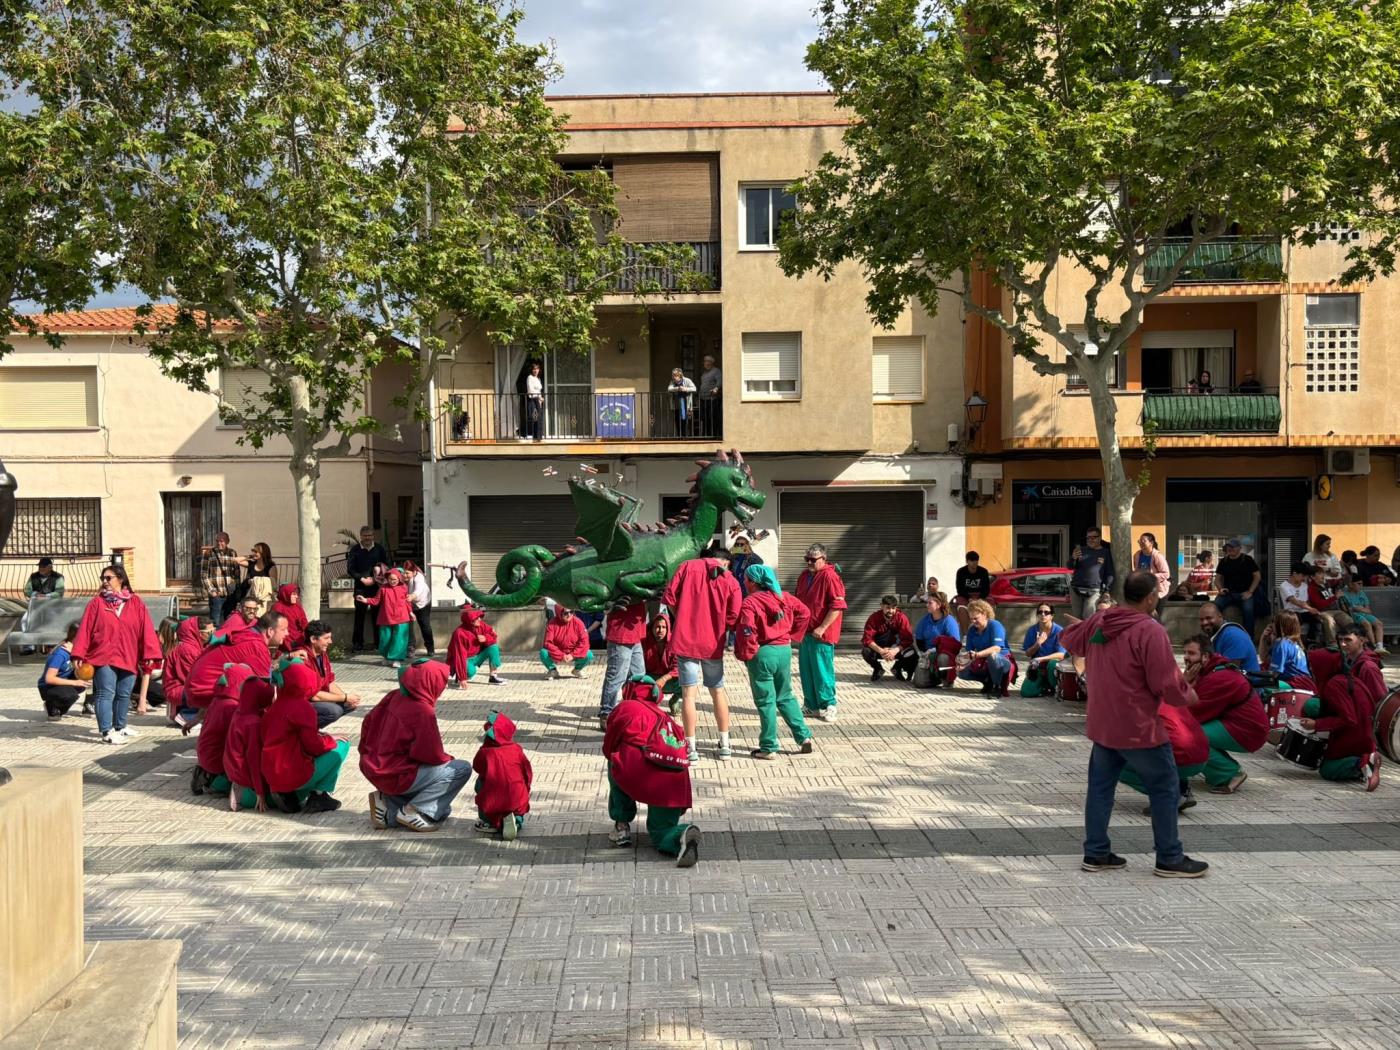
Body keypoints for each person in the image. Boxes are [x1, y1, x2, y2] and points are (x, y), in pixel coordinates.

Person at [1061, 571, 1209, 879]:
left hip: (1103, 723)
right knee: (1166, 787)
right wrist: (1189, 694)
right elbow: (1164, 681)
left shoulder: (1101, 621)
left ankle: (1096, 852)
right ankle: (1169, 857)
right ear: (1152, 597)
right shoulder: (1150, 631)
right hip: (1138, 725)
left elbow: (1070, 639)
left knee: (1101, 789)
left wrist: (1088, 630)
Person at [361, 659, 473, 832]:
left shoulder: (395, 695)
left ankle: (387, 805)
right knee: (460, 769)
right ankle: (411, 812)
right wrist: (448, 760)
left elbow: (368, 723)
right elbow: (430, 754)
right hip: (395, 772)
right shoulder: (422, 711)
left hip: (374, 765)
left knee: (441, 809)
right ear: (431, 682)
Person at [602, 676, 699, 867]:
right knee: (660, 830)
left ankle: (622, 825)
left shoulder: (625, 708)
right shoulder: (666, 718)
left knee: (616, 762)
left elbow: (609, 747)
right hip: (675, 780)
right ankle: (680, 835)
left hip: (639, 771)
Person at [663, 545, 742, 758]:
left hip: (685, 640)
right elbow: (734, 616)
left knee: (689, 694)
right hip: (712, 643)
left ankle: (691, 748)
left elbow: (669, 598)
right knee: (718, 691)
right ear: (724, 562)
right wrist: (720, 627)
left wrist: (680, 617)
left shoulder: (686, 566)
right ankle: (725, 745)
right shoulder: (731, 581)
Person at [71, 563, 161, 745]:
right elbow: (85, 630)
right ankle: (106, 731)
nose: (105, 582)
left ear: (121, 579)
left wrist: (150, 652)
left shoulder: (135, 602)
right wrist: (78, 654)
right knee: (105, 693)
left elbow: (146, 629)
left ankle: (120, 726)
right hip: (103, 656)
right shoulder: (96, 603)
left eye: (108, 578)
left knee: (124, 693)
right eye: (103, 579)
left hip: (129, 654)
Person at [735, 563, 814, 760]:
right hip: (784, 651)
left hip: (763, 653)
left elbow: (746, 630)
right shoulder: (784, 597)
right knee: (786, 696)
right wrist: (794, 636)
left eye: (746, 579)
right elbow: (805, 613)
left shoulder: (750, 602)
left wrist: (748, 653)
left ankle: (769, 746)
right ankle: (803, 737)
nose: (744, 583)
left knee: (766, 701)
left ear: (753, 582)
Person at [1299, 624, 1384, 790]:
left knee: (1327, 769)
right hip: (1356, 720)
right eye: (1341, 640)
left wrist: (1318, 725)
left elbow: (1374, 704)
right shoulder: (1343, 671)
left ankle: (1364, 762)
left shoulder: (1366, 668)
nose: (1343, 644)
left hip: (1362, 728)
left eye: (1348, 640)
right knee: (1312, 705)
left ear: (1362, 640)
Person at [261, 657, 350, 813]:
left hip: (271, 772)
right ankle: (319, 795)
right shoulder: (303, 708)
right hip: (292, 771)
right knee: (342, 745)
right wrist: (329, 739)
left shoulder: (274, 707)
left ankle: (289, 795)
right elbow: (314, 746)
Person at [1182, 634, 1268, 795]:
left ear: (1206, 656)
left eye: (1191, 653)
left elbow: (1190, 714)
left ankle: (1230, 774)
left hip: (1249, 731)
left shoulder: (1219, 678)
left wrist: (1183, 684)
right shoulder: (1208, 671)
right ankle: (1222, 771)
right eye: (1185, 653)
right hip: (1237, 724)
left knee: (1190, 736)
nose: (1186, 658)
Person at [186, 610, 288, 709]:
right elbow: (265, 690)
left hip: (196, 687)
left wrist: (287, 657)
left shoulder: (249, 634)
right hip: (202, 692)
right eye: (283, 630)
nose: (287, 633)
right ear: (270, 631)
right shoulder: (256, 645)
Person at [794, 543, 847, 723]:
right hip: (805, 632)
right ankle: (811, 705)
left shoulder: (830, 577)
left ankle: (829, 705)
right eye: (806, 559)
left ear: (823, 559)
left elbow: (837, 606)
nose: (809, 562)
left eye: (813, 560)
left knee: (822, 670)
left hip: (821, 634)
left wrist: (822, 627)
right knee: (806, 670)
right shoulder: (803, 576)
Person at [190, 663, 255, 797]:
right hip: (217, 758)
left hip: (205, 753)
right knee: (236, 773)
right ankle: (213, 783)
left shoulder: (217, 701)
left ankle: (205, 773)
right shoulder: (232, 706)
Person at [471, 709, 533, 838]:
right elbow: (527, 771)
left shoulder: (486, 752)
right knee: (518, 791)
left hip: (494, 799)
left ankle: (490, 823)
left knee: (480, 783)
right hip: (516, 796)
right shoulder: (516, 749)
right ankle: (516, 820)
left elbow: (477, 767)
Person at [294, 620, 361, 729]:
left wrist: (347, 698)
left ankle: (312, 732)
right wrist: (344, 697)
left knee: (349, 705)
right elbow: (313, 695)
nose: (330, 641)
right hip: (301, 702)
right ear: (313, 639)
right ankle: (303, 733)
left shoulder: (322, 654)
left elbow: (329, 681)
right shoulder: (302, 658)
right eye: (326, 638)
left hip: (314, 698)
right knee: (334, 711)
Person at [222, 674, 276, 812]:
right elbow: (254, 759)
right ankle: (243, 794)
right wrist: (260, 793)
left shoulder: (239, 712)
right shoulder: (253, 723)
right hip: (245, 776)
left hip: (232, 769)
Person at [599, 601, 647, 731]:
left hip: (635, 633)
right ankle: (606, 713)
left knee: (638, 676)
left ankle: (632, 709)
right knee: (616, 676)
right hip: (620, 634)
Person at [356, 566, 413, 666]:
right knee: (385, 639)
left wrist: (411, 613)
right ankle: (387, 657)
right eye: (390, 579)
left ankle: (396, 659)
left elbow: (407, 602)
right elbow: (376, 600)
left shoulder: (404, 587)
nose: (392, 581)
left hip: (402, 617)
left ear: (399, 578)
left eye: (394, 579)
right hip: (386, 617)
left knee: (399, 639)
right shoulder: (383, 588)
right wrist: (365, 600)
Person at [347, 526, 389, 652]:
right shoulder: (354, 550)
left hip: (376, 588)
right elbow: (350, 569)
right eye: (365, 535)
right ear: (360, 536)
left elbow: (386, 565)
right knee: (359, 616)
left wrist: (376, 578)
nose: (367, 538)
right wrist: (362, 579)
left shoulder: (379, 549)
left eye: (370, 535)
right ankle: (357, 644)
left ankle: (378, 643)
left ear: (373, 536)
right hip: (360, 588)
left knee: (377, 616)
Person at [958, 599, 1013, 695]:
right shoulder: (972, 630)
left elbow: (996, 648)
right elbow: (969, 652)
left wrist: (977, 654)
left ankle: (997, 686)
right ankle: (987, 682)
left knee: (993, 656)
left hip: (1001, 660)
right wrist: (962, 662)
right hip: (983, 661)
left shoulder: (995, 625)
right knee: (962, 672)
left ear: (985, 614)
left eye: (976, 618)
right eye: (971, 619)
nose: (973, 621)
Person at [1211, 539, 1261, 638]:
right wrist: (1220, 589)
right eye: (1228, 547)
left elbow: (1257, 576)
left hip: (1244, 593)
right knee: (1214, 607)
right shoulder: (1224, 561)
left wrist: (1250, 591)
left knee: (1248, 611)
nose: (1230, 549)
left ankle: (1248, 638)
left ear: (1239, 548)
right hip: (1228, 593)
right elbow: (1217, 579)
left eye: (1233, 547)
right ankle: (1215, 635)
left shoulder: (1247, 559)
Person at [861, 595, 917, 682]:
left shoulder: (901, 618)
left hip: (896, 648)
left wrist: (895, 650)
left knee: (911, 653)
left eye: (893, 608)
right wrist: (881, 650)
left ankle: (897, 668)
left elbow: (908, 639)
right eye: (888, 608)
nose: (890, 611)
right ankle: (878, 669)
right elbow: (867, 639)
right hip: (879, 648)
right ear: (881, 606)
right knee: (866, 651)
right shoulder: (874, 617)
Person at [446, 606, 505, 686]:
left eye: (479, 617)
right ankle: (460, 676)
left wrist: (486, 638)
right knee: (471, 671)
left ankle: (493, 677)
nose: (480, 619)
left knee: (493, 647)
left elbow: (493, 636)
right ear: (470, 620)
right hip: (465, 659)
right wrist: (462, 678)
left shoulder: (481, 625)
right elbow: (459, 656)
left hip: (477, 656)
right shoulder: (459, 633)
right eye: (476, 618)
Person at [38, 622, 87, 719]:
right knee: (71, 695)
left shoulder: (74, 650)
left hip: (62, 682)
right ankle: (51, 706)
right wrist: (75, 682)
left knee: (84, 683)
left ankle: (59, 706)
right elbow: (49, 678)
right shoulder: (61, 653)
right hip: (48, 686)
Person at [913, 593, 961, 688]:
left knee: (943, 658)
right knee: (919, 683)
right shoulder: (924, 620)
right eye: (927, 602)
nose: (927, 605)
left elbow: (955, 644)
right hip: (927, 655)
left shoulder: (949, 621)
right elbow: (919, 639)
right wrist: (923, 653)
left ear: (938, 605)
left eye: (930, 603)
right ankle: (935, 677)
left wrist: (934, 650)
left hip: (943, 654)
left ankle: (947, 679)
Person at [1197, 602, 1260, 673]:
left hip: (1247, 682)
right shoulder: (1217, 635)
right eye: (1201, 620)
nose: (1204, 622)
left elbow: (1229, 673)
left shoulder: (1233, 636)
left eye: (1209, 618)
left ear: (1220, 616)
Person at [1068, 528, 1115, 621]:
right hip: (1076, 589)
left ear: (1099, 538)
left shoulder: (1105, 552)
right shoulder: (1081, 550)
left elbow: (1110, 573)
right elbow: (1070, 567)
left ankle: (1088, 636)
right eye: (1088, 538)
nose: (1090, 540)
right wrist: (1073, 558)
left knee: (1089, 618)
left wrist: (1107, 590)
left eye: (1093, 537)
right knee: (1075, 619)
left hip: (1094, 591)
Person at [1021, 603, 1065, 696]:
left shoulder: (1059, 631)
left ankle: (1055, 687)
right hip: (1038, 667)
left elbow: (1061, 655)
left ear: (1052, 616)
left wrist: (1040, 659)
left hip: (1053, 667)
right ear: (1037, 615)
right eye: (1040, 612)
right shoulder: (1032, 630)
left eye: (1046, 612)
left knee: (1053, 663)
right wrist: (1038, 644)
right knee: (1026, 692)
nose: (1043, 614)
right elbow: (1028, 653)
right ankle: (1044, 688)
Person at [200, 532, 243, 626]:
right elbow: (204, 575)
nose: (219, 543)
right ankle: (215, 640)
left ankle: (228, 640)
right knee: (215, 622)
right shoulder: (209, 554)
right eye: (217, 541)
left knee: (230, 621)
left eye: (222, 541)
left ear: (227, 541)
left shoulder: (232, 553)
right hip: (217, 595)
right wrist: (212, 592)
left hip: (230, 595)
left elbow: (237, 574)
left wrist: (237, 591)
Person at [539, 605, 594, 679]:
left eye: (571, 612)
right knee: (543, 652)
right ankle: (552, 670)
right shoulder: (552, 623)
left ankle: (577, 669)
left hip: (573, 653)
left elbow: (584, 641)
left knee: (589, 654)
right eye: (566, 613)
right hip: (557, 653)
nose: (569, 615)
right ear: (559, 613)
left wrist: (573, 655)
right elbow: (548, 643)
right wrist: (561, 655)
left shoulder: (578, 622)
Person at [1259, 612, 1312, 685]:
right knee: (1263, 667)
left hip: (1297, 684)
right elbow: (1265, 659)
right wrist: (1263, 638)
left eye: (1274, 622)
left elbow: (1273, 674)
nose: (1271, 625)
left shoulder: (1281, 643)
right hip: (1304, 683)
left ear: (1280, 626)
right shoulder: (1290, 642)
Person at [1306, 564, 1353, 645]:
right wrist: (1335, 597)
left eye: (1323, 573)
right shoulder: (1311, 588)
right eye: (1319, 573)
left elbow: (1344, 581)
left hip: (1336, 610)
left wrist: (1347, 572)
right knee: (1329, 621)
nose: (1323, 575)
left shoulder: (1327, 583)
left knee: (1348, 620)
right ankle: (1332, 644)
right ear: (1312, 577)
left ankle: (1351, 641)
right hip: (1322, 611)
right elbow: (1319, 605)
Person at [1340, 576, 1387, 654]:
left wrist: (1359, 608)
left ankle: (1380, 646)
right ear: (1351, 584)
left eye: (1361, 584)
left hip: (1363, 613)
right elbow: (1346, 609)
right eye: (1358, 584)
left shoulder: (1362, 593)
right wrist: (1359, 609)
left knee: (1379, 624)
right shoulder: (1344, 594)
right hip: (1354, 615)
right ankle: (1373, 646)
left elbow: (1368, 610)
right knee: (1366, 624)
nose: (1361, 586)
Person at [642, 613, 679, 706]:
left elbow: (677, 668)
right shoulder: (644, 642)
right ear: (652, 628)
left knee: (686, 683)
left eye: (664, 627)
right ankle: (646, 702)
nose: (660, 630)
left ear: (668, 629)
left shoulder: (674, 643)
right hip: (650, 679)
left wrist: (664, 678)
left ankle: (675, 700)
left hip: (668, 680)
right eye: (657, 627)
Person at [402, 561, 435, 656]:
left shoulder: (419, 579)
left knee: (425, 626)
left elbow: (418, 590)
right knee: (408, 626)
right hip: (410, 604)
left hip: (423, 604)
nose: (405, 575)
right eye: (404, 572)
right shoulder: (406, 578)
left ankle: (430, 648)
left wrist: (412, 596)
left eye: (407, 573)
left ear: (414, 572)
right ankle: (410, 648)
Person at [1134, 533, 1171, 617]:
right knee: (1144, 616)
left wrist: (1150, 577)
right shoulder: (1137, 555)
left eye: (1144, 541)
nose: (1141, 543)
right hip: (1144, 591)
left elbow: (1166, 574)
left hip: (1158, 591)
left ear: (1151, 543)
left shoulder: (1158, 556)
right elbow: (1137, 570)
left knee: (1155, 617)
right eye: (1140, 541)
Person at [1278, 562, 1317, 638]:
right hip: (1291, 612)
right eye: (1302, 576)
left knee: (1315, 619)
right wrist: (1310, 608)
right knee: (1296, 619)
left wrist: (1311, 609)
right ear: (1294, 573)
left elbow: (1306, 601)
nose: (1303, 578)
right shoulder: (1284, 586)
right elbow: (1294, 601)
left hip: (1304, 610)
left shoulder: (1304, 585)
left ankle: (1310, 641)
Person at [271, 584, 309, 653]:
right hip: (285, 639)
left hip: (300, 638)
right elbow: (275, 626)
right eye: (294, 594)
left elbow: (304, 622)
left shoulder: (297, 606)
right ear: (286, 594)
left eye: (297, 594)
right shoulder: (278, 607)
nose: (296, 597)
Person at [242, 542, 277, 616]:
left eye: (256, 551)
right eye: (253, 551)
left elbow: (273, 582)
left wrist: (257, 582)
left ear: (263, 553)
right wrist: (250, 556)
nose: (253, 553)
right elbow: (237, 560)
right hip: (250, 595)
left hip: (263, 598)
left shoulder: (270, 566)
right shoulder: (252, 564)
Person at [727, 533, 763, 598]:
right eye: (737, 544)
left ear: (746, 545)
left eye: (742, 544)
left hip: (747, 588)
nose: (739, 546)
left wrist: (749, 552)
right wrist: (731, 551)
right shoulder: (734, 557)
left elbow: (760, 562)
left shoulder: (750, 557)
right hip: (736, 588)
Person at [698, 353, 722, 437]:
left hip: (712, 399)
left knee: (712, 418)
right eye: (704, 361)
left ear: (711, 362)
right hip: (703, 399)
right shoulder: (704, 373)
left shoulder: (716, 371)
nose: (705, 363)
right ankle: (706, 435)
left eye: (706, 361)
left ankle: (713, 435)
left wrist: (716, 388)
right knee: (704, 418)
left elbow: (719, 381)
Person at [667, 367, 696, 436]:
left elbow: (694, 388)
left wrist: (685, 389)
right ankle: (679, 436)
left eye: (675, 375)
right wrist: (677, 388)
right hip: (676, 405)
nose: (673, 377)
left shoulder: (687, 380)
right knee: (677, 420)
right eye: (673, 375)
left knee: (686, 421)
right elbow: (669, 389)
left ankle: (686, 436)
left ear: (680, 375)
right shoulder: (672, 382)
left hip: (686, 405)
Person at [523, 360, 544, 441]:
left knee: (539, 419)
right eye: (534, 369)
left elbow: (539, 391)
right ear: (532, 370)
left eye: (537, 369)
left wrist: (540, 399)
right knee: (534, 418)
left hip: (538, 401)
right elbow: (531, 390)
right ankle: (533, 437)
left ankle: (538, 437)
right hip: (533, 400)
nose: (536, 370)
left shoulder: (538, 379)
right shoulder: (530, 377)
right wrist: (539, 397)